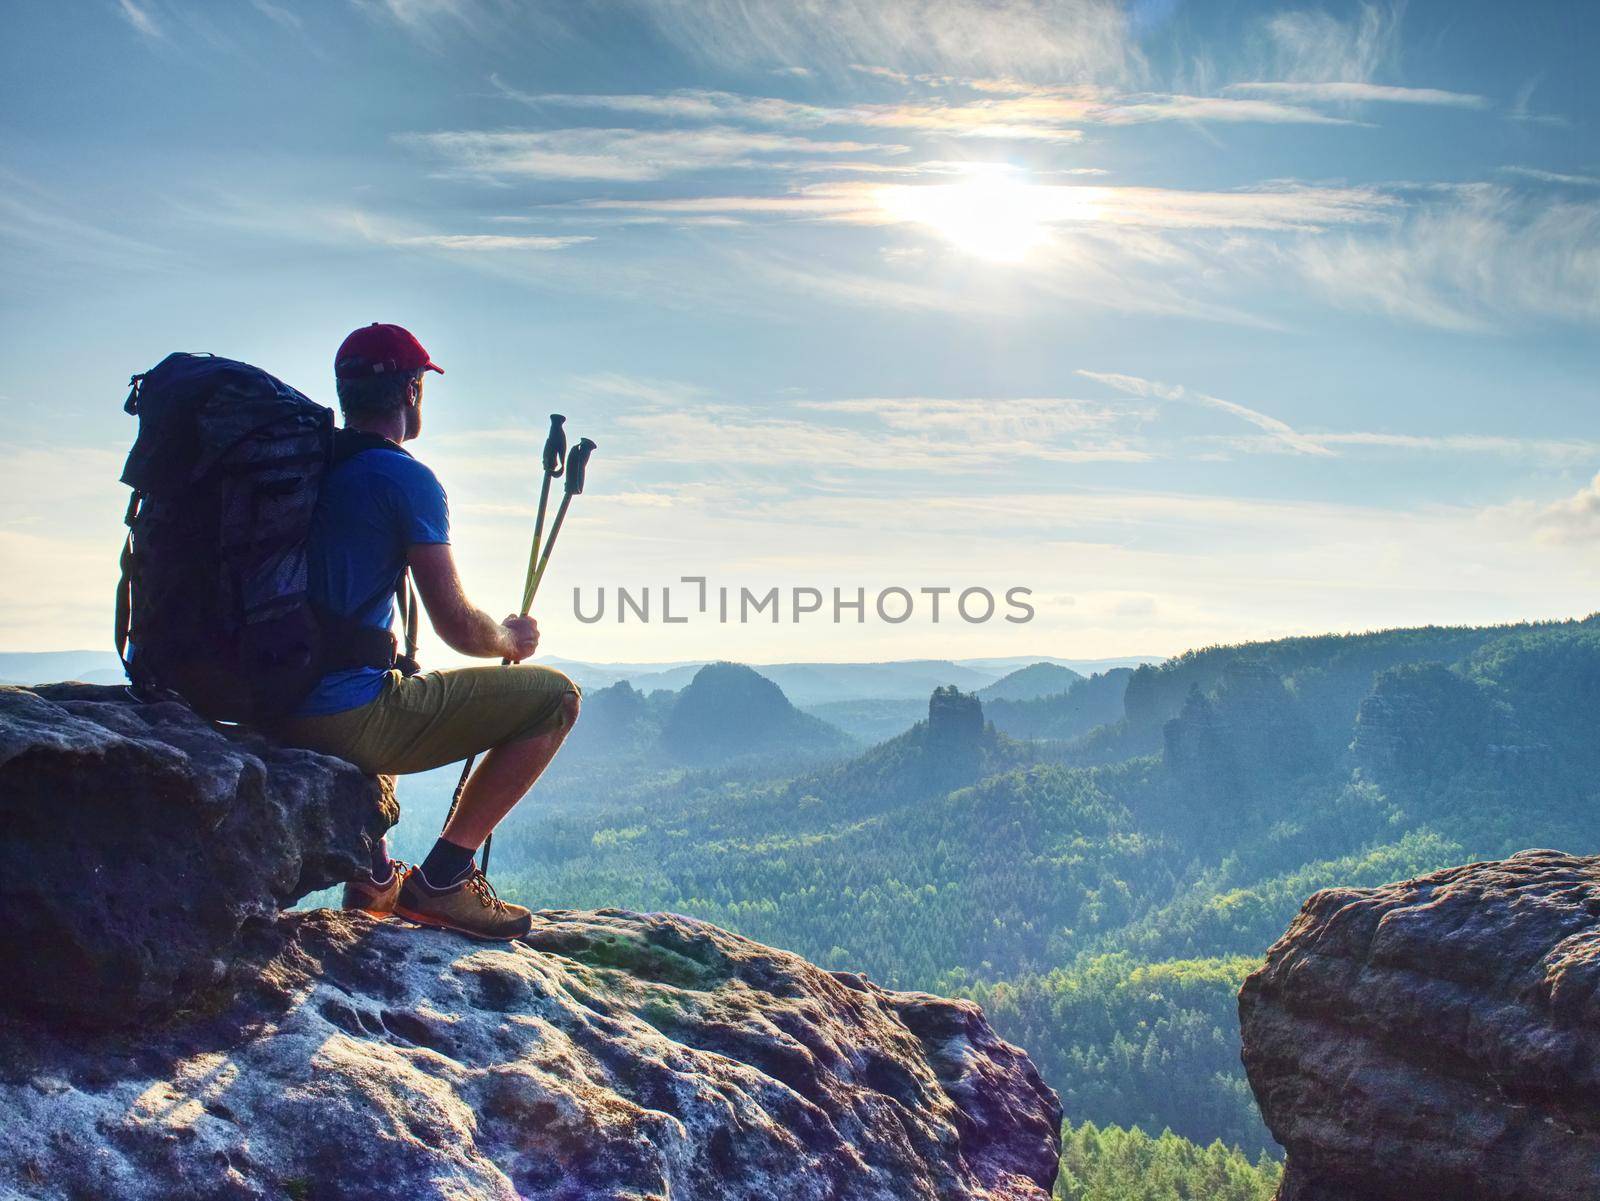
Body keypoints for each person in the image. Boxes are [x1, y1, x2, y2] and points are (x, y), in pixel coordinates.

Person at [273, 322, 580, 940]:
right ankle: (441, 883)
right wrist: (508, 641)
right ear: (413, 391)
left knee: (383, 684)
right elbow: (458, 626)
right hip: (333, 711)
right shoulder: (401, 478)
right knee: (556, 698)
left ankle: (375, 874)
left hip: (258, 692)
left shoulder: (302, 467)